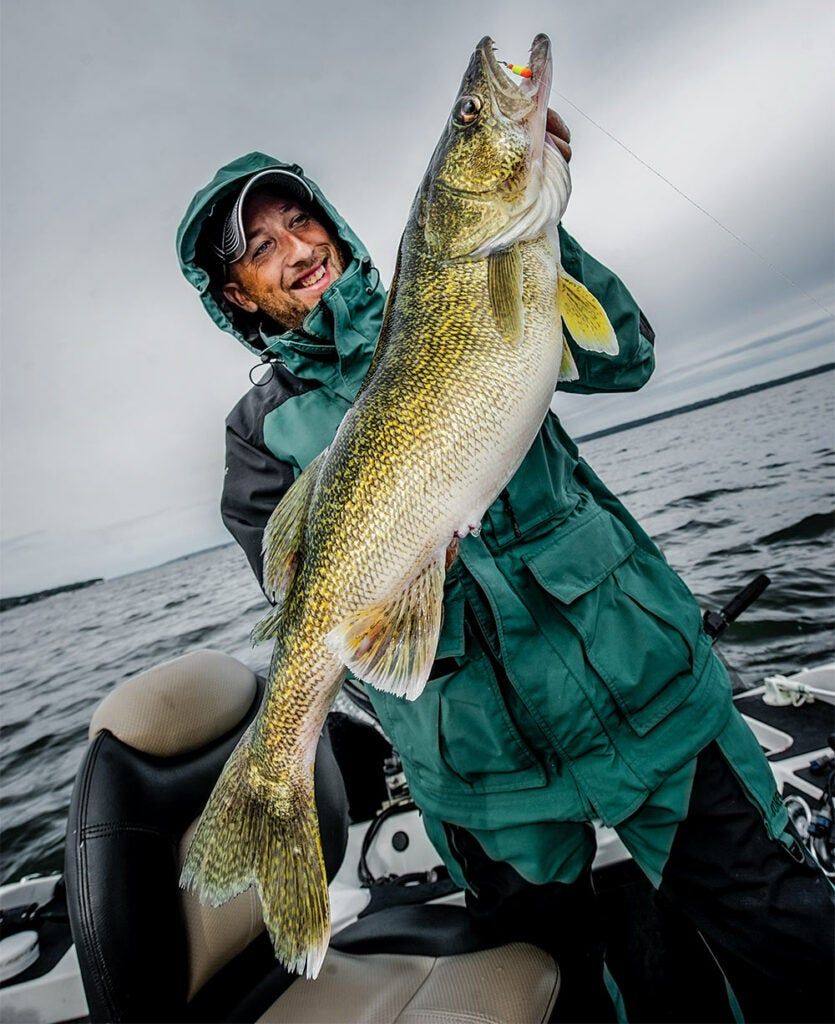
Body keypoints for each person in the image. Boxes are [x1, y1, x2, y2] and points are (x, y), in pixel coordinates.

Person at [177, 112, 834, 1023]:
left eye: (301, 221)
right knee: (554, 986)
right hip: (479, 769)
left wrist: (536, 226)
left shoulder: (451, 289)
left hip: (642, 692)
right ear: (240, 295)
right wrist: (399, 575)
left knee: (785, 928)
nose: (296, 249)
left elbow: (625, 357)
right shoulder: (259, 439)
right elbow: (303, 593)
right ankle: (269, 793)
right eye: (261, 247)